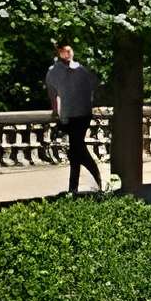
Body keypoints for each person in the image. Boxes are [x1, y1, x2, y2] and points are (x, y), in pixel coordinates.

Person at [43, 41, 101, 196]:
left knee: (77, 149)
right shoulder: (53, 72)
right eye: (64, 51)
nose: (67, 54)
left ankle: (91, 181)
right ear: (59, 52)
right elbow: (53, 94)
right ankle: (78, 186)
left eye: (69, 51)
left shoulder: (81, 70)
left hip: (83, 114)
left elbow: (90, 89)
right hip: (69, 115)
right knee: (76, 150)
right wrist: (56, 111)